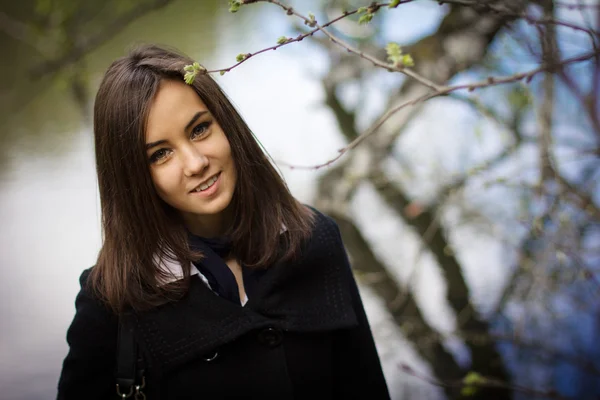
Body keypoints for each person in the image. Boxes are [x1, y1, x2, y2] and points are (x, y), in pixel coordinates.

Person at [56, 44, 390, 400]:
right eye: (161, 154)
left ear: (226, 124)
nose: (196, 162)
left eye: (199, 129)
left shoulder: (313, 239)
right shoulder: (113, 300)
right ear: (133, 178)